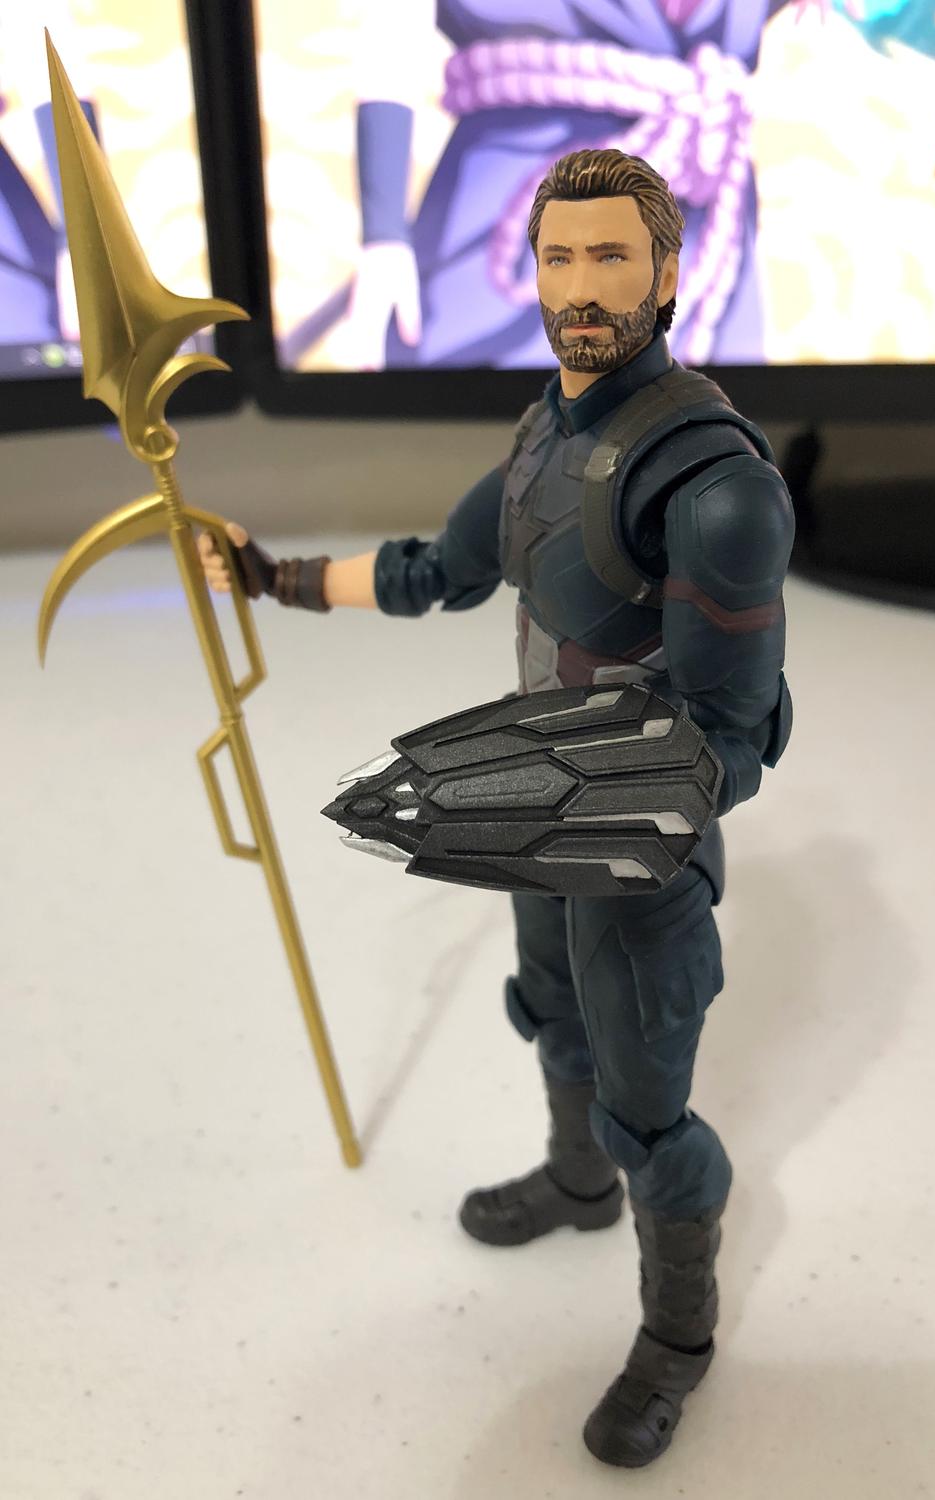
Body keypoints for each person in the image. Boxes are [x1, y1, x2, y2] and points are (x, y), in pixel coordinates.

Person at [200, 148, 794, 1470]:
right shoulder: (546, 437)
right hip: (535, 814)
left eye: (611, 256)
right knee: (552, 1012)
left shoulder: (715, 487)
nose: (581, 286)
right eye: (558, 256)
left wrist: (604, 808)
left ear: (668, 272)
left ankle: (678, 1339)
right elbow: (440, 569)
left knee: (656, 1117)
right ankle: (578, 1184)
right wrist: (273, 577)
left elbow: (730, 741)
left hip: (637, 861)